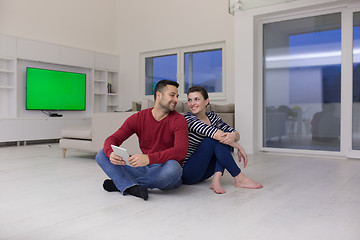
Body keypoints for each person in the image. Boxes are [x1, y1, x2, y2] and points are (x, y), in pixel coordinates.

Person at [96, 80, 188, 200]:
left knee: (174, 169)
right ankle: (129, 186)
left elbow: (180, 151)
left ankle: (123, 183)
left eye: (177, 96)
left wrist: (149, 158)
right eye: (172, 95)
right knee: (102, 154)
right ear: (159, 95)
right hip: (143, 168)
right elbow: (113, 139)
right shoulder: (138, 118)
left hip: (165, 169)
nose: (176, 100)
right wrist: (111, 153)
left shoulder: (179, 120)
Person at [182, 86, 263, 194]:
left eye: (197, 99)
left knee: (226, 139)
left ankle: (216, 179)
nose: (192, 104)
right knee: (212, 139)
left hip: (205, 172)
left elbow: (235, 133)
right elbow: (212, 133)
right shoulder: (188, 118)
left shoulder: (212, 116)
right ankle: (239, 177)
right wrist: (238, 146)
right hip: (189, 173)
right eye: (189, 100)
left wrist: (232, 137)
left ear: (206, 101)